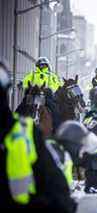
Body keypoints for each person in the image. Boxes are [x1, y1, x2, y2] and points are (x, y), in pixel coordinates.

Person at [0, 59, 75, 212]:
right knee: (22, 107)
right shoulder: (32, 74)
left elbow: (56, 86)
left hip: (45, 95)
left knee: (54, 109)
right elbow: (26, 81)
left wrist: (48, 90)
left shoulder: (51, 76)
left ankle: (58, 127)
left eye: (44, 65)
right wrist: (24, 85)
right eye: (40, 65)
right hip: (33, 94)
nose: (42, 67)